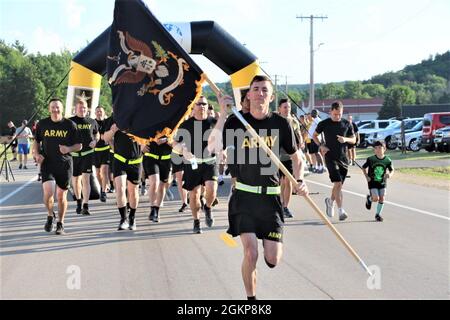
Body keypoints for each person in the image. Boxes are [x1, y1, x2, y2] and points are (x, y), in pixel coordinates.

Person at [211, 75, 308, 300]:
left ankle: (268, 249)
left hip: (271, 200)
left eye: (265, 89)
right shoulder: (236, 121)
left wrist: (300, 180)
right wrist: (223, 113)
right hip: (244, 196)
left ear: (271, 96)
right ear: (249, 95)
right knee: (250, 253)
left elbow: (297, 158)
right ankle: (251, 300)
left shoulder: (280, 123)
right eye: (255, 89)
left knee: (273, 259)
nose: (260, 93)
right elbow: (212, 146)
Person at [33, 98, 81, 235]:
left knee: (61, 196)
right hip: (47, 163)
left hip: (64, 164)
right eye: (53, 107)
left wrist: (69, 149)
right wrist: (36, 154)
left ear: (62, 108)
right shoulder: (43, 124)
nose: (55, 110)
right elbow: (36, 141)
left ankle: (60, 223)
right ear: (49, 109)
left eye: (57, 107)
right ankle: (50, 215)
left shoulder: (70, 125)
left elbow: (79, 145)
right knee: (48, 193)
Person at [172, 96, 218, 234]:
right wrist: (183, 151)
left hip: (210, 161)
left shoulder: (213, 122)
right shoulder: (186, 125)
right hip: (193, 163)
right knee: (194, 195)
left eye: (204, 104)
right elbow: (174, 143)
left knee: (212, 189)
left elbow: (223, 136)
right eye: (199, 104)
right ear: (193, 107)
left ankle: (208, 207)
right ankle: (196, 221)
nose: (202, 106)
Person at [313, 101, 356, 221]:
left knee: (339, 185)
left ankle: (330, 201)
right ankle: (341, 210)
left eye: (340, 114)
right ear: (330, 112)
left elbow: (354, 139)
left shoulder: (347, 124)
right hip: (330, 157)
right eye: (335, 114)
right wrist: (321, 145)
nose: (337, 117)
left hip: (343, 158)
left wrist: (345, 139)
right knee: (337, 183)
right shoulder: (324, 123)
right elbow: (314, 136)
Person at [104, 116, 142, 231]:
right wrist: (113, 131)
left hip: (135, 160)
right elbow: (105, 137)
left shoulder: (140, 116)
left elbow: (149, 135)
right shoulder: (115, 117)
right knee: (120, 188)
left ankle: (132, 217)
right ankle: (123, 218)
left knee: (133, 191)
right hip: (119, 159)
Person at [69, 99, 99, 215]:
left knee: (86, 179)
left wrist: (95, 141)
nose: (83, 110)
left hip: (87, 154)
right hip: (74, 155)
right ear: (75, 109)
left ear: (87, 109)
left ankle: (86, 205)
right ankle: (78, 201)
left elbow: (97, 134)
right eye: (80, 108)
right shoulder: (69, 121)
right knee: (76, 180)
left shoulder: (92, 121)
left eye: (85, 108)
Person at [277, 99, 302, 219]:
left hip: (289, 156)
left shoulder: (294, 122)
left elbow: (299, 136)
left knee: (288, 180)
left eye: (289, 107)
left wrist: (300, 144)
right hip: (276, 156)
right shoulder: (274, 121)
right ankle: (281, 203)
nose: (287, 109)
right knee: (281, 181)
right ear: (279, 109)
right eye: (285, 107)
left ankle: (285, 207)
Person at [361, 141, 394, 222]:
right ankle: (370, 199)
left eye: (380, 147)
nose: (378, 149)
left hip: (383, 183)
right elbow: (363, 168)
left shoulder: (387, 160)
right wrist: (367, 177)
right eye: (376, 148)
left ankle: (378, 215)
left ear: (384, 149)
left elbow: (392, 170)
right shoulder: (371, 159)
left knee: (382, 198)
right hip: (372, 182)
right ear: (374, 150)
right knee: (376, 198)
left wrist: (390, 175)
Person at [143, 136, 173, 223]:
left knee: (162, 186)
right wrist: (141, 144)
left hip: (166, 158)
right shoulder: (149, 122)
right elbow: (138, 132)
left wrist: (167, 140)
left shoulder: (172, 124)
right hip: (151, 156)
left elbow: (177, 141)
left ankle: (157, 209)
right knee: (155, 182)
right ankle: (152, 207)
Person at [93, 106, 110, 202]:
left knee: (104, 171)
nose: (99, 113)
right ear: (95, 113)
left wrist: (104, 136)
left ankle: (103, 192)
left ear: (104, 113)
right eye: (97, 111)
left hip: (106, 150)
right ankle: (102, 187)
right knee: (97, 174)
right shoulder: (92, 122)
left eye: (101, 111)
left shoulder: (107, 122)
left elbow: (108, 135)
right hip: (96, 151)